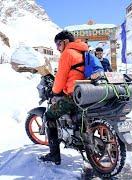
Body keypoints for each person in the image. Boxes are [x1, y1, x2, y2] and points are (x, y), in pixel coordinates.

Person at [38, 30, 88, 165]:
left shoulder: (67, 53)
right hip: (87, 93)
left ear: (65, 42)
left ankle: (54, 155)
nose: (58, 48)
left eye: (58, 44)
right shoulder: (83, 51)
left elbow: (60, 78)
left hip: (73, 94)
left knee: (49, 116)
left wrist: (54, 91)